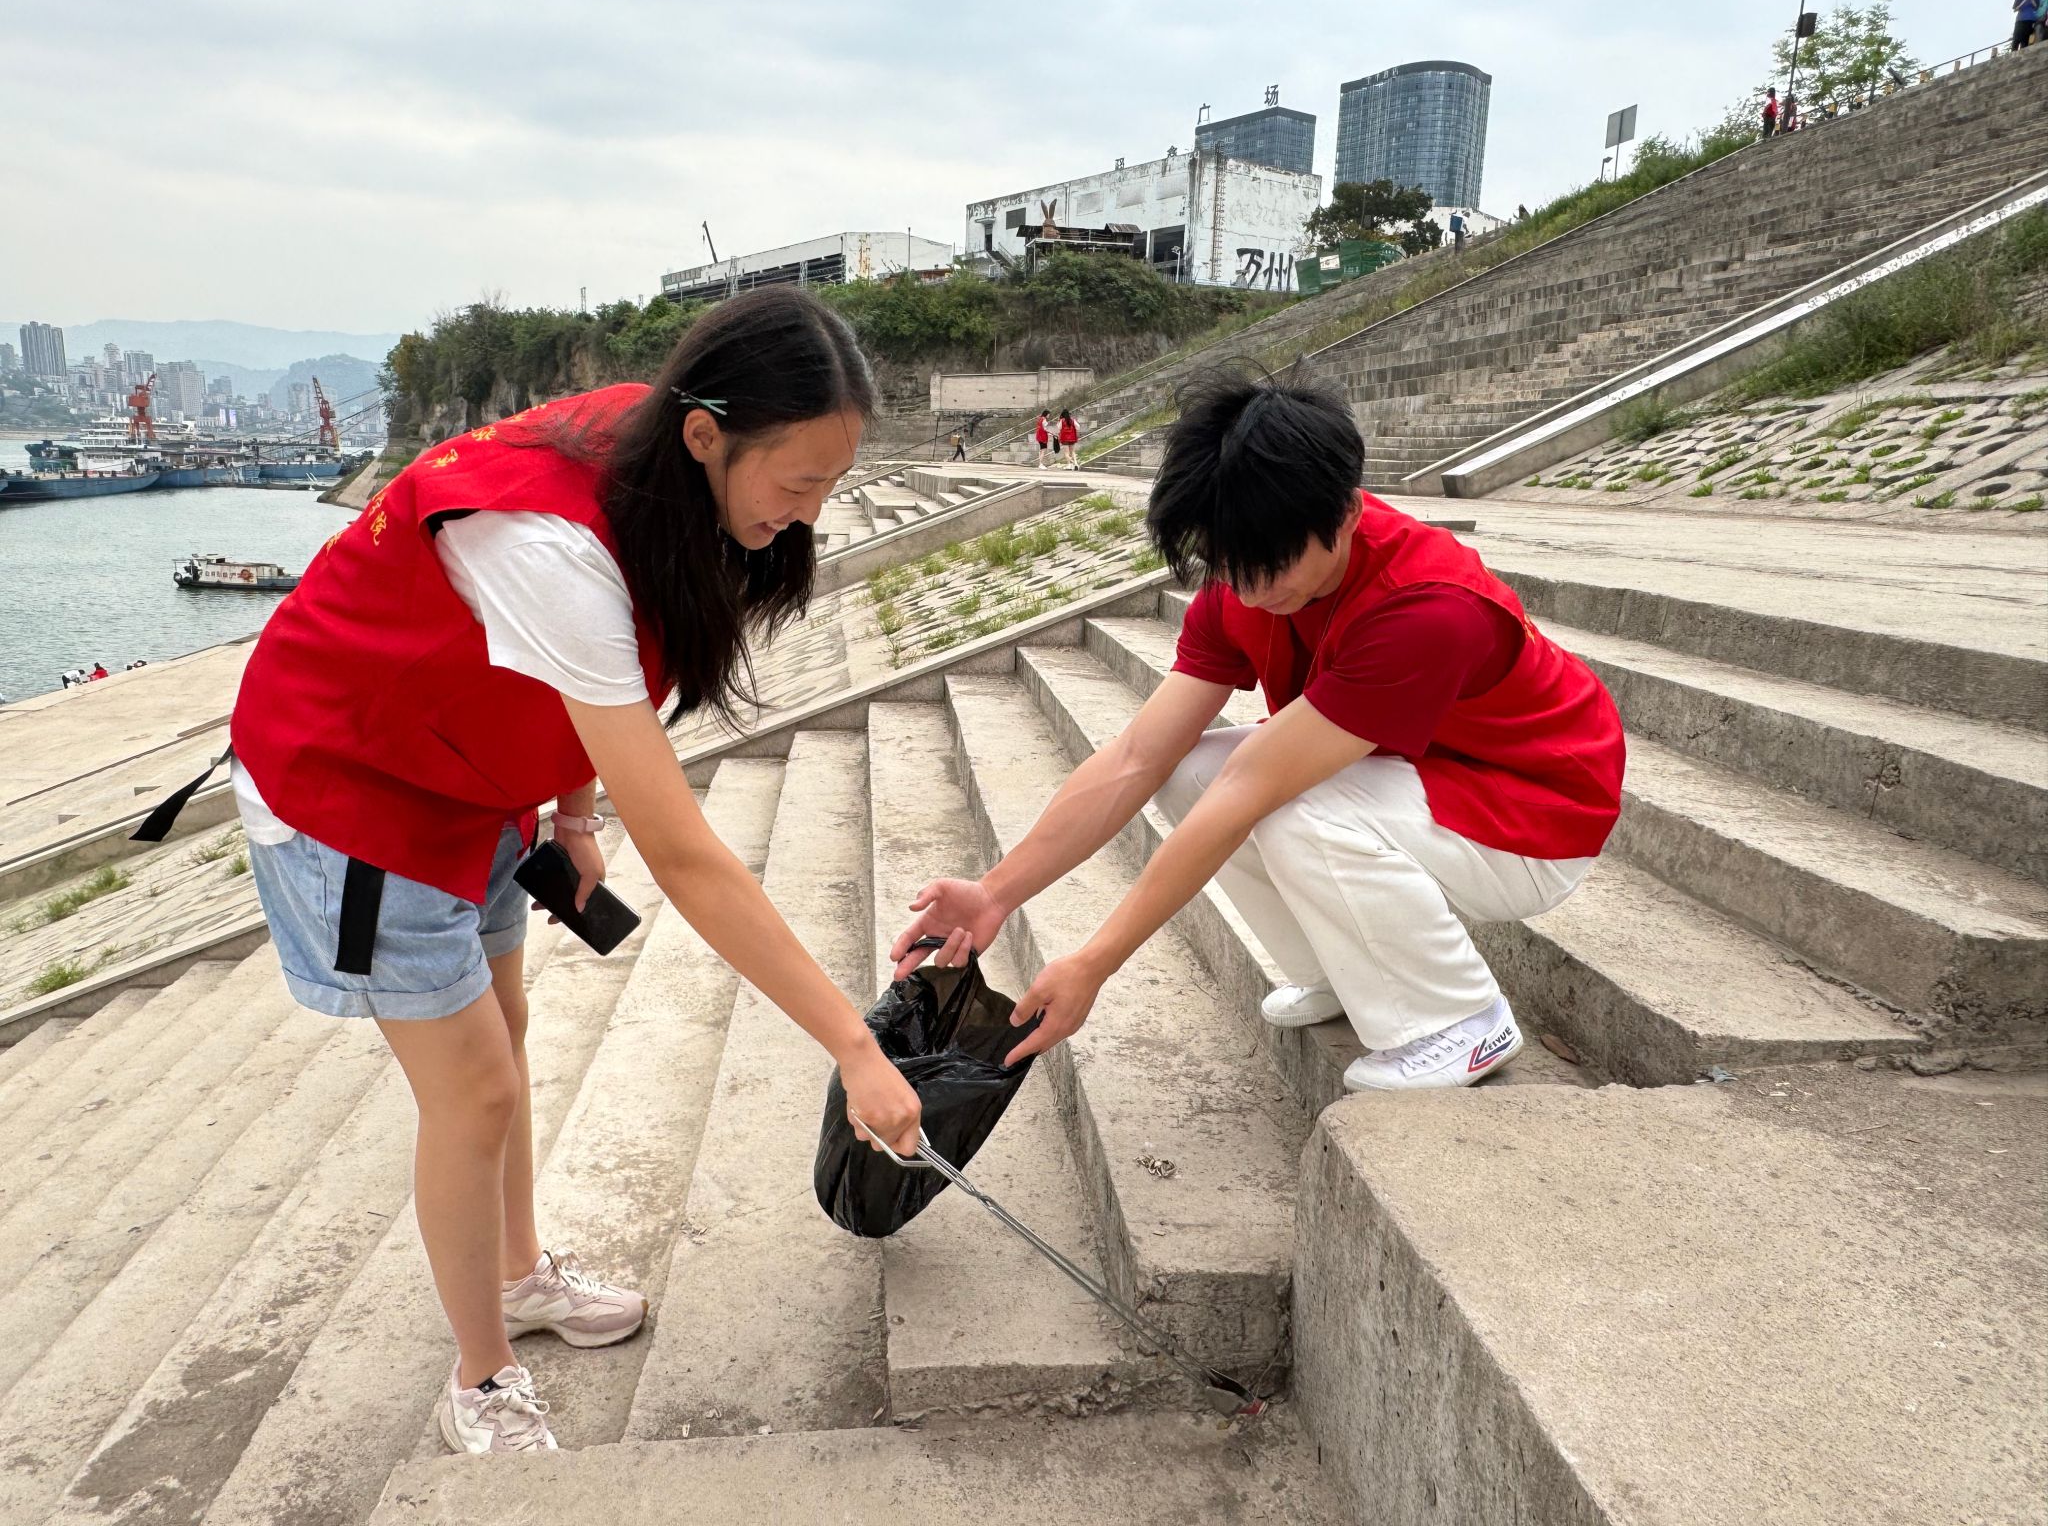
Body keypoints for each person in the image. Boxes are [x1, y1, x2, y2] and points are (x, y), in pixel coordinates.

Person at [208, 287, 921, 1455]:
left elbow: (589, 671)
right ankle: (480, 1377)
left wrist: (573, 809)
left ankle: (518, 1275)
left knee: (508, 1031)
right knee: (474, 1090)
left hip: (471, 771)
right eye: (797, 484)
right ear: (707, 435)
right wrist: (852, 1045)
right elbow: (684, 855)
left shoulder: (655, 447)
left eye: (828, 486)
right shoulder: (546, 542)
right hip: (353, 789)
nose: (807, 516)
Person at [891, 368, 1625, 1095]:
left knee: (1290, 806)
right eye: (1226, 564)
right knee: (1191, 771)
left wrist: (1096, 962)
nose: (1250, 590)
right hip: (1420, 777)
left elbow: (1250, 789)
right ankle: (1335, 972)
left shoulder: (1424, 608)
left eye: (1270, 564)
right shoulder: (1248, 578)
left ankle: (1458, 1019)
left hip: (1534, 814)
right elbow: (1138, 756)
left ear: (1347, 513)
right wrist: (996, 894)